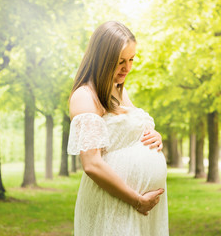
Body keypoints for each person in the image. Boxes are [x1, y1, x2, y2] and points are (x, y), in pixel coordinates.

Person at [67, 21, 169, 236]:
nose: (128, 68)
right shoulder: (85, 97)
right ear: (101, 59)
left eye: (131, 59)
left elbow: (134, 129)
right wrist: (137, 200)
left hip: (138, 205)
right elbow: (92, 164)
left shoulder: (119, 91)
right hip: (114, 202)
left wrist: (155, 135)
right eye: (120, 61)